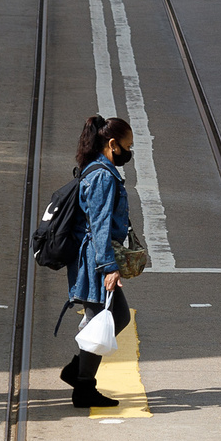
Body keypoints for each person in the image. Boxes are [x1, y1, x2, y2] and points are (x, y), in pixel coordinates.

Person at [63, 114, 137, 408]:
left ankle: (77, 371)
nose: (129, 152)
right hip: (94, 259)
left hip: (94, 256)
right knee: (104, 321)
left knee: (114, 317)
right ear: (112, 144)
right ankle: (83, 387)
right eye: (127, 146)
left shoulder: (99, 169)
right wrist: (109, 268)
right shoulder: (103, 176)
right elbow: (100, 225)